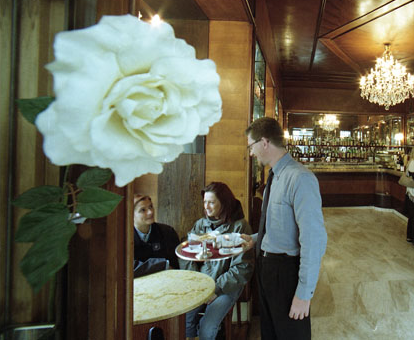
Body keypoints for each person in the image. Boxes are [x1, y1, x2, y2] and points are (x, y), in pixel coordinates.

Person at [243, 117, 327, 340]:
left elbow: (314, 241)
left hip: (286, 273)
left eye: (251, 146)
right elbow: (279, 225)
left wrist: (304, 294)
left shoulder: (300, 178)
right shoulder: (274, 176)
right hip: (267, 269)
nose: (251, 153)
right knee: (270, 333)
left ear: (264, 142)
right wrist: (254, 239)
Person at [182, 182, 254, 340]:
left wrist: (216, 289)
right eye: (205, 202)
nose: (206, 207)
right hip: (201, 284)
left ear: (224, 203)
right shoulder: (201, 225)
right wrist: (196, 282)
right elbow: (187, 256)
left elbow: (242, 268)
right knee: (184, 320)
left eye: (211, 202)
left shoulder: (240, 228)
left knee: (207, 328)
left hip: (226, 286)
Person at [132, 194, 180, 278]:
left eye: (150, 207)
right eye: (143, 210)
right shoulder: (124, 238)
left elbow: (175, 265)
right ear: (131, 215)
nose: (150, 212)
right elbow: (129, 267)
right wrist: (162, 264)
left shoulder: (168, 232)